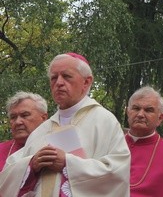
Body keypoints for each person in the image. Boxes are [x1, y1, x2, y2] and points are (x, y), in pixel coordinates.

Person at [0, 52, 130, 196]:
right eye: (54, 78)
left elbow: (117, 173)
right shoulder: (42, 129)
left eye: (66, 76)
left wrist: (68, 164)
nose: (59, 82)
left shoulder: (104, 121)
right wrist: (31, 164)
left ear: (86, 82)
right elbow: (6, 177)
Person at [125, 86, 163, 196]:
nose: (140, 114)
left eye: (148, 110)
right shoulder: (110, 146)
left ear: (160, 118)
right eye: (136, 108)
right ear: (127, 112)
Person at [0, 92, 48, 170]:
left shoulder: (56, 146)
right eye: (13, 117)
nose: (18, 122)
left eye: (25, 115)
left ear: (43, 118)